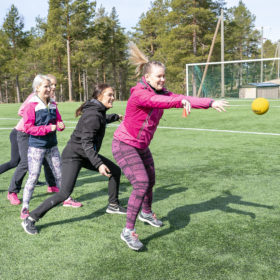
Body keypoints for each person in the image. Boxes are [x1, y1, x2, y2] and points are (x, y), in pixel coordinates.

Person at [111, 43, 229, 250]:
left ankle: (146, 213)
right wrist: (178, 102)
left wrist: (210, 102)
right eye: (159, 77)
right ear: (147, 78)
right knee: (141, 182)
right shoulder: (140, 93)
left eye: (164, 76)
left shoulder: (161, 91)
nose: (162, 79)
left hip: (141, 146)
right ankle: (127, 231)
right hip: (124, 144)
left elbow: (179, 97)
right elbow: (158, 101)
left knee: (151, 180)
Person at [22, 83, 126, 235]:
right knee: (64, 193)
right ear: (99, 96)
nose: (113, 97)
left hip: (84, 154)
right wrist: (98, 164)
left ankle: (113, 205)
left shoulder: (97, 111)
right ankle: (31, 218)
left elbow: (101, 120)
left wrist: (115, 117)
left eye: (113, 94)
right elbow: (87, 143)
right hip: (74, 156)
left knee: (115, 171)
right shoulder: (93, 115)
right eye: (109, 94)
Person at [19, 74, 80, 219]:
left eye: (50, 86)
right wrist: (48, 128)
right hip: (36, 148)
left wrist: (60, 126)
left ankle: (67, 199)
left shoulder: (53, 103)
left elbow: (58, 122)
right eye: (46, 86)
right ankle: (25, 207)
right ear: (37, 87)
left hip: (52, 146)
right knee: (33, 177)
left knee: (60, 174)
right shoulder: (31, 105)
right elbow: (28, 128)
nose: (50, 88)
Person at [6, 74, 60, 206]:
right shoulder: (34, 98)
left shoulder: (49, 99)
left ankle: (52, 185)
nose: (53, 87)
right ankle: (12, 192)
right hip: (23, 133)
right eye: (51, 84)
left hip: (38, 134)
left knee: (47, 159)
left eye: (54, 85)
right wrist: (39, 121)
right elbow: (22, 111)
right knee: (24, 163)